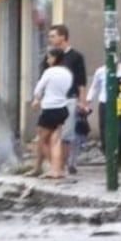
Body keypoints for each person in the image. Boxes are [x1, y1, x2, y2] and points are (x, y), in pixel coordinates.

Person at [47, 24, 88, 175]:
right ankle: (53, 165)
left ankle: (61, 166)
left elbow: (81, 81)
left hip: (69, 98)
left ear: (63, 37)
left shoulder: (75, 57)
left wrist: (82, 102)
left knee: (66, 134)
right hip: (52, 100)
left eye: (53, 36)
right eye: (50, 36)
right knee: (50, 133)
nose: (50, 39)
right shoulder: (50, 56)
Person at [30, 49, 73, 179]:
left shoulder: (49, 72)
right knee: (55, 141)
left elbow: (38, 89)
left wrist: (37, 99)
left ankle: (54, 168)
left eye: (49, 57)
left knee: (41, 140)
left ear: (55, 58)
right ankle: (58, 169)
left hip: (50, 108)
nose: (47, 60)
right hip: (62, 108)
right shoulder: (67, 73)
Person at [86, 61, 121, 164]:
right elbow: (94, 87)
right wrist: (88, 101)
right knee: (105, 130)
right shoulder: (100, 71)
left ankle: (119, 155)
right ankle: (109, 155)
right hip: (105, 102)